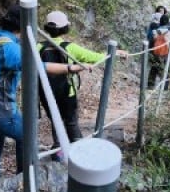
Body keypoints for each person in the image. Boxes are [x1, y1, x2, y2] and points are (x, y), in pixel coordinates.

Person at [0, 3, 81, 191]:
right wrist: (71, 68)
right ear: (23, 26)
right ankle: (25, 181)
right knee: (27, 135)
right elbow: (40, 66)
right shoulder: (11, 50)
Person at [39, 10, 128, 158]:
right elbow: (96, 57)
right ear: (64, 28)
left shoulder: (38, 47)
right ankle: (78, 150)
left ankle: (58, 150)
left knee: (55, 120)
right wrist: (116, 52)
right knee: (71, 121)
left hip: (45, 92)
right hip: (67, 92)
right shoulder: (70, 48)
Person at [148, 14, 170, 88]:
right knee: (164, 70)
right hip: (165, 53)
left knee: (154, 68)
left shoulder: (154, 32)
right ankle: (165, 87)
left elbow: (150, 42)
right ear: (168, 22)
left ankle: (150, 85)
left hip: (154, 52)